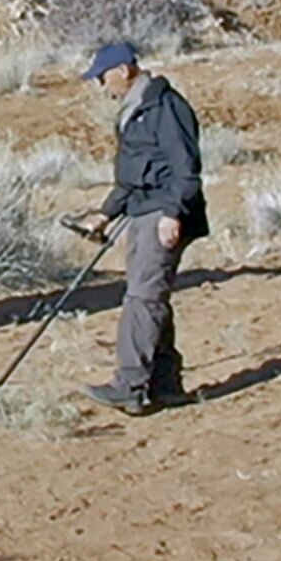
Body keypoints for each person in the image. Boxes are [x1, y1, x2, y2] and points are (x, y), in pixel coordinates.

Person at [79, 40, 205, 414]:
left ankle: (130, 385)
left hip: (162, 215)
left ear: (123, 70)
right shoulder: (137, 109)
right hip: (143, 211)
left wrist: (173, 213)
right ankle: (165, 385)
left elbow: (186, 167)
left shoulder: (166, 107)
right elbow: (132, 176)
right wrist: (106, 214)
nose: (103, 87)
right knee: (151, 296)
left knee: (142, 298)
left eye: (103, 78)